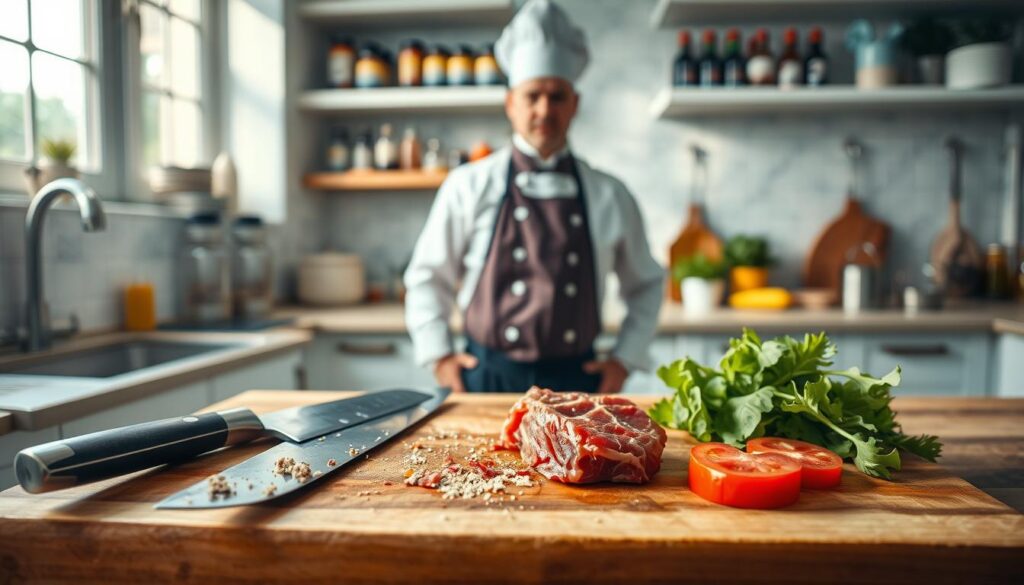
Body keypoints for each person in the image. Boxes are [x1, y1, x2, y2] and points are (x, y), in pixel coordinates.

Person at [404, 0, 663, 394]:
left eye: (557, 96)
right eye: (533, 95)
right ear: (511, 103)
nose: (545, 108)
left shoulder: (610, 193)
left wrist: (623, 361)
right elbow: (427, 277)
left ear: (574, 104)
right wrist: (439, 357)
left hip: (578, 380)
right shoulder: (467, 184)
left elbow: (646, 284)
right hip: (486, 376)